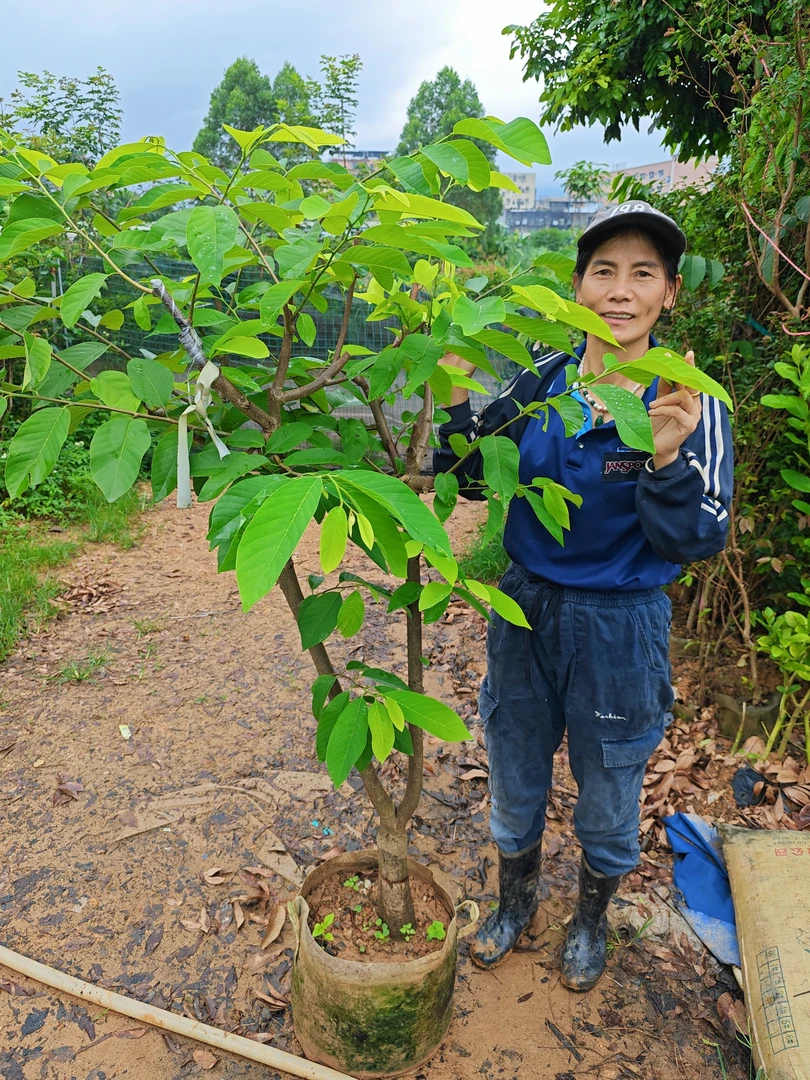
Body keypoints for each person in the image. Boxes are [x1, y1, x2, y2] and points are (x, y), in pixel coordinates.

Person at [433, 201, 733, 991]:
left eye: (643, 274)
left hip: (621, 625)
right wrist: (456, 402)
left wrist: (665, 460)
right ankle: (513, 905)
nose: (620, 290)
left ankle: (591, 919)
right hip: (526, 608)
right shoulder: (544, 382)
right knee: (515, 761)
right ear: (577, 287)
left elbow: (697, 537)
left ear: (668, 294)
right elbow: (471, 478)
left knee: (609, 786)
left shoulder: (688, 401)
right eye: (604, 271)